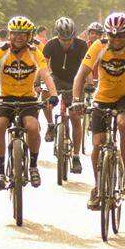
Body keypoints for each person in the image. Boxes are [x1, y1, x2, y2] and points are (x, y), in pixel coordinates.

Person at [71, 12, 125, 208]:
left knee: (123, 124)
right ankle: (98, 187)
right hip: (102, 97)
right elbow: (81, 74)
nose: (116, 40)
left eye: (121, 36)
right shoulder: (98, 45)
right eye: (112, 36)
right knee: (97, 144)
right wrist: (76, 100)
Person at [0, 16, 58, 190]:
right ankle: (0, 171)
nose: (19, 37)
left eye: (23, 34)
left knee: (32, 126)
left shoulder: (35, 51)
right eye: (15, 33)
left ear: (30, 36)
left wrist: (53, 94)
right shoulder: (1, 51)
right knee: (0, 126)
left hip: (28, 99)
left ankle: (33, 166)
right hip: (4, 98)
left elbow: (45, 74)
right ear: (9, 34)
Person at [41, 17, 88, 172]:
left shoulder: (81, 45)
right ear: (57, 35)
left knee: (75, 117)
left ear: (74, 35)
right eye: (63, 39)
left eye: (69, 39)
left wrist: (90, 84)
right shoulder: (51, 45)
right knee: (45, 93)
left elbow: (86, 67)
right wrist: (38, 83)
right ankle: (50, 125)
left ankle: (75, 156)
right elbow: (42, 66)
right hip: (57, 78)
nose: (66, 42)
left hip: (75, 81)